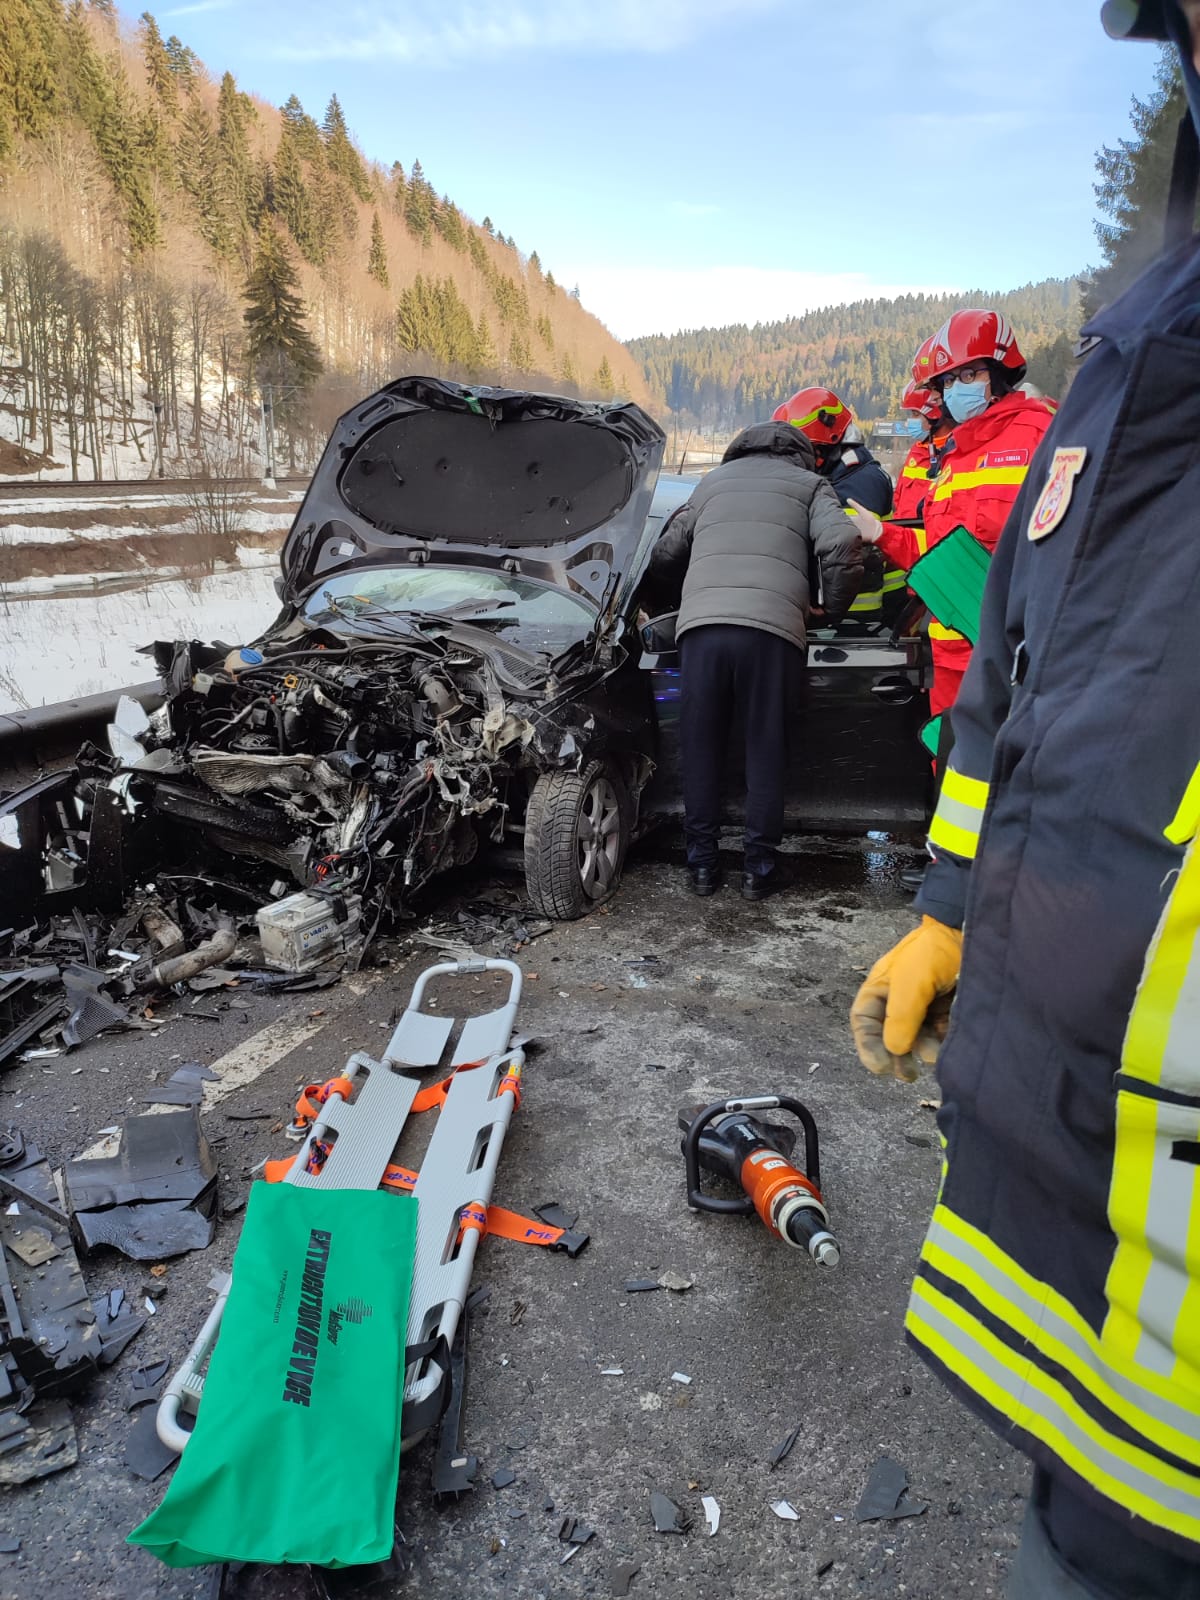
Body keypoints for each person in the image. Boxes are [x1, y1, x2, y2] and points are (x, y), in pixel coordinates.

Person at [850, 4, 1200, 1597]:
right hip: (1110, 1231)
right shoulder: (1126, 365)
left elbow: (959, 583)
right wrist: (949, 908)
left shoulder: (1021, 431)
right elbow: (1025, 656)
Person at [644, 421, 863, 901]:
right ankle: (758, 869)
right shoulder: (811, 486)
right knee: (766, 749)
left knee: (700, 747)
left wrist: (683, 596)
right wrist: (830, 610)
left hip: (701, 633)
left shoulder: (710, 484)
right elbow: (843, 544)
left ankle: (701, 867)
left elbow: (664, 553)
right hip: (771, 634)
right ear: (802, 456)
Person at [852, 312, 1057, 721]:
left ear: (998, 373)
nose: (954, 389)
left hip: (1014, 655)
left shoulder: (1042, 433)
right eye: (947, 382)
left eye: (967, 376)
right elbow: (943, 552)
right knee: (950, 771)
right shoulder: (954, 458)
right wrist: (880, 533)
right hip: (949, 652)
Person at [772, 386, 894, 515]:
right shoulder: (835, 475)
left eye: (804, 450)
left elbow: (846, 533)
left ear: (829, 443)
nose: (797, 459)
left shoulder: (861, 483)